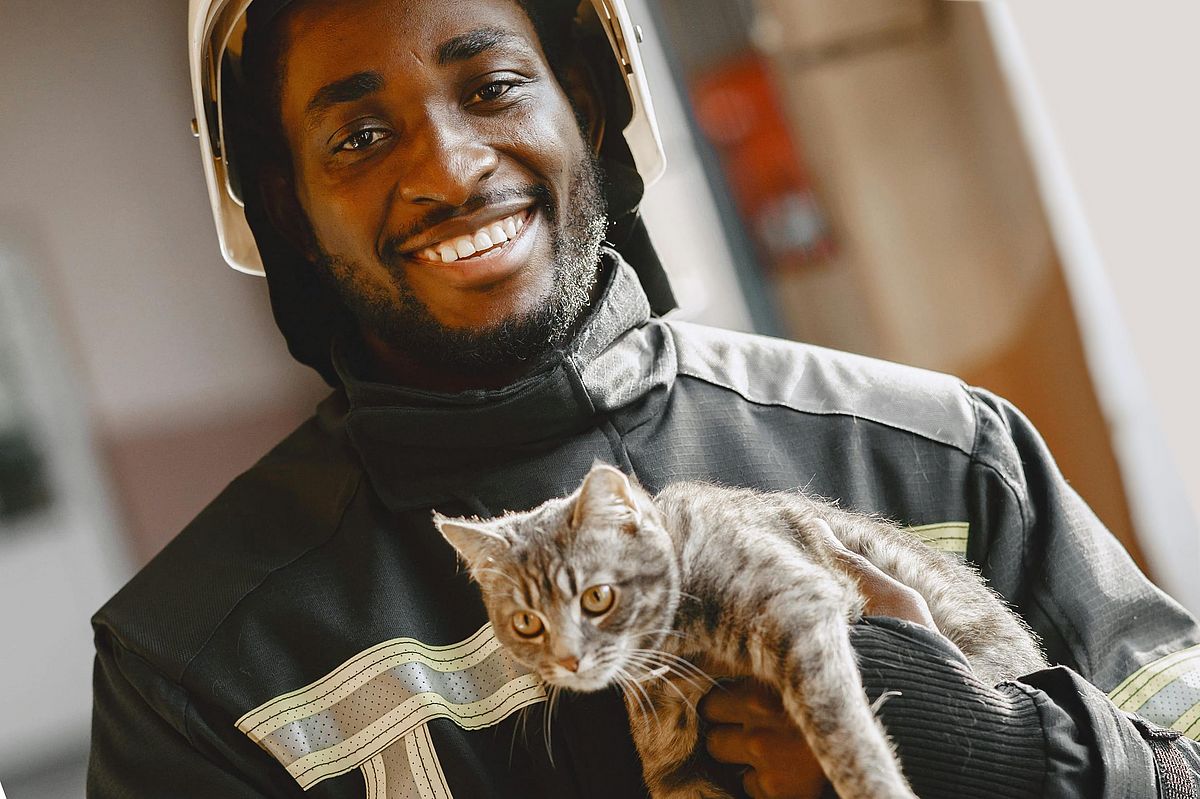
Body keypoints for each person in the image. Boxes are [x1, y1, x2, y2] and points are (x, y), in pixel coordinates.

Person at [88, 0, 1200, 796]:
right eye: (360, 136)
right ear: (283, 204)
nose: (448, 164)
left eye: (491, 86)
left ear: (585, 96)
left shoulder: (935, 451)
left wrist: (996, 748)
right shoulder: (200, 666)